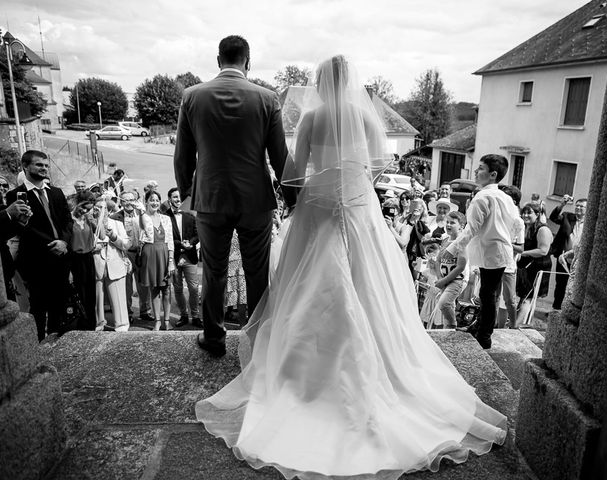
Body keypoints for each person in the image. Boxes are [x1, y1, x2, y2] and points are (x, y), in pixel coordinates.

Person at [195, 55, 506, 479]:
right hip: (359, 209)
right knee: (372, 284)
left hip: (319, 210)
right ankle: (378, 368)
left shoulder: (312, 118)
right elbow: (378, 164)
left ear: (323, 83)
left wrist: (316, 191)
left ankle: (303, 372)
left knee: (308, 284)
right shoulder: (366, 116)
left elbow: (292, 171)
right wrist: (351, 184)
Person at [174, 35, 295, 356]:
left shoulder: (192, 97)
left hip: (211, 201)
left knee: (214, 271)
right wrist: (293, 202)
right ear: (248, 62)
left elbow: (182, 157)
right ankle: (257, 340)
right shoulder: (268, 99)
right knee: (257, 273)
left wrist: (188, 201)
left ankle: (214, 339)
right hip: (256, 200)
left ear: (218, 60)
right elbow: (280, 157)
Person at [441, 154, 520, 349]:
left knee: (488, 294)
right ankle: (480, 328)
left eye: (481, 168)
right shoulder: (504, 196)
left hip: (492, 251)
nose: (476, 171)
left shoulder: (483, 197)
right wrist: (504, 236)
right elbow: (517, 223)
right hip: (499, 251)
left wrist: (452, 249)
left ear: (493, 174)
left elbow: (471, 228)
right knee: (487, 293)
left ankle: (484, 335)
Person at [6, 150, 73, 341]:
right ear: (25, 167)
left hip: (61, 258)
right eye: (39, 165)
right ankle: (37, 347)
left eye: (45, 165)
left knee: (59, 308)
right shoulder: (16, 195)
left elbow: (68, 221)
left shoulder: (57, 192)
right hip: (37, 261)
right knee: (38, 308)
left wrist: (64, 242)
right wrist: (52, 243)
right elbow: (25, 228)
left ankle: (55, 346)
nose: (44, 168)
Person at [110, 191, 153, 321]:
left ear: (136, 201)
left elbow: (149, 230)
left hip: (140, 252)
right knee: (127, 285)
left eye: (132, 200)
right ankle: (128, 312)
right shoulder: (114, 217)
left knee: (144, 284)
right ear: (121, 202)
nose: (129, 203)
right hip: (124, 253)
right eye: (125, 200)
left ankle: (145, 311)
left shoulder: (143, 214)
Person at [138, 191, 175, 331]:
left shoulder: (166, 218)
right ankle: (157, 321)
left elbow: (170, 240)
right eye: (151, 200)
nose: (154, 203)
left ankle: (166, 320)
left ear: (160, 202)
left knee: (166, 289)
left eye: (157, 200)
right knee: (154, 289)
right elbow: (146, 232)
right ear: (146, 201)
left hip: (165, 254)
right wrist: (144, 212)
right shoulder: (143, 218)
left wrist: (171, 261)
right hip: (150, 254)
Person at [93, 198, 131, 332]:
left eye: (101, 208)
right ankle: (99, 324)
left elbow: (127, 244)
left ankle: (121, 326)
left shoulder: (117, 224)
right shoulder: (89, 223)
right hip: (97, 264)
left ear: (108, 211)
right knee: (97, 298)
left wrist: (114, 237)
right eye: (95, 207)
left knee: (119, 298)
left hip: (115, 263)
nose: (97, 210)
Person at [165, 187, 201, 328]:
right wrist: (181, 244)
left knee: (194, 288)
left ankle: (196, 316)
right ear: (169, 199)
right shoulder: (165, 216)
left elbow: (198, 235)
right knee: (178, 288)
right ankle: (183, 315)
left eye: (179, 197)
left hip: (189, 256)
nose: (178, 199)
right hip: (173, 257)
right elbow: (165, 238)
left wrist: (190, 243)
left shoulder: (190, 216)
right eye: (174, 197)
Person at [516, 203, 553, 325]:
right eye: (524, 212)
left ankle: (516, 325)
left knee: (528, 297)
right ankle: (521, 322)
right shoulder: (526, 227)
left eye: (529, 213)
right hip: (526, 267)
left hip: (538, 267)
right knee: (523, 296)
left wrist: (523, 253)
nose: (525, 215)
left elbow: (543, 250)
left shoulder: (543, 229)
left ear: (537, 214)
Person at [549, 195, 587, 309]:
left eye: (582, 207)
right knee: (560, 284)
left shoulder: (589, 223)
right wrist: (562, 204)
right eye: (577, 206)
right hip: (563, 259)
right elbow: (553, 217)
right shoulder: (567, 217)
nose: (578, 208)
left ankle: (568, 309)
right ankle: (556, 309)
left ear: (587, 209)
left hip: (578, 260)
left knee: (573, 286)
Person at [433, 211, 468, 328]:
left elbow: (461, 266)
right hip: (444, 279)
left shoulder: (461, 242)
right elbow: (438, 260)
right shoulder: (445, 240)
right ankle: (448, 330)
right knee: (448, 306)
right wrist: (439, 278)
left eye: (452, 223)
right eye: (447, 222)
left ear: (461, 226)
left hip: (457, 280)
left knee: (444, 304)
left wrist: (444, 281)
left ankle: (453, 325)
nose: (448, 225)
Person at [497, 184, 525, 328]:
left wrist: (506, 242)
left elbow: (520, 248)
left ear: (513, 201)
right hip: (493, 262)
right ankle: (495, 326)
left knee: (509, 299)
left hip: (508, 266)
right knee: (492, 297)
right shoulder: (497, 217)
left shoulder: (518, 222)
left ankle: (513, 325)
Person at [69, 191, 98, 330]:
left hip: (89, 258)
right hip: (74, 260)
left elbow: (102, 234)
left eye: (89, 209)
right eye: (83, 207)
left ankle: (91, 325)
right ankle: (80, 325)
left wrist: (94, 220)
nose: (85, 211)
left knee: (91, 294)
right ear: (77, 203)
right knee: (79, 294)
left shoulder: (87, 218)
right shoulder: (68, 219)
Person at [0, 198, 32, 301]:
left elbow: (3, 235)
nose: (1, 188)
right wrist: (6, 213)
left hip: (6, 269)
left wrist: (21, 222)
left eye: (5, 185)